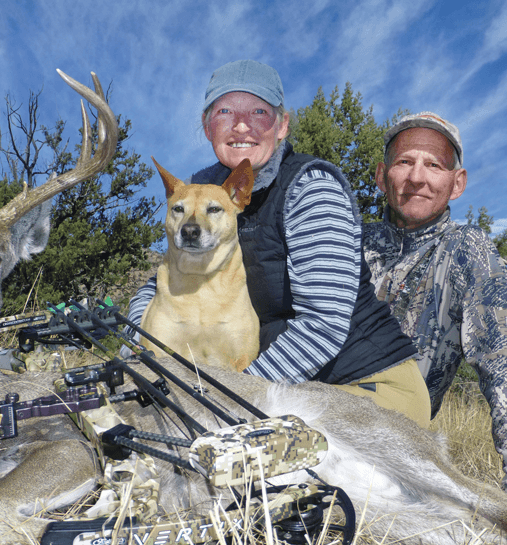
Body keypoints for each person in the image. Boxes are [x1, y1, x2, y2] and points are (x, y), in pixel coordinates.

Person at [126, 60, 431, 427]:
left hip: (367, 386)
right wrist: (137, 337)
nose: (241, 125)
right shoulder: (202, 191)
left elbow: (325, 323)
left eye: (258, 111)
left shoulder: (310, 188)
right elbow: (164, 278)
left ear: (282, 125)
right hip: (288, 386)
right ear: (209, 127)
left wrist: (234, 399)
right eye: (225, 112)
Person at [363, 111, 507, 541]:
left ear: (458, 182)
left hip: (389, 446)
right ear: (381, 176)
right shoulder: (348, 244)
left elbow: (504, 368)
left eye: (433, 165)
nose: (417, 177)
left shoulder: (467, 250)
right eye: (403, 162)